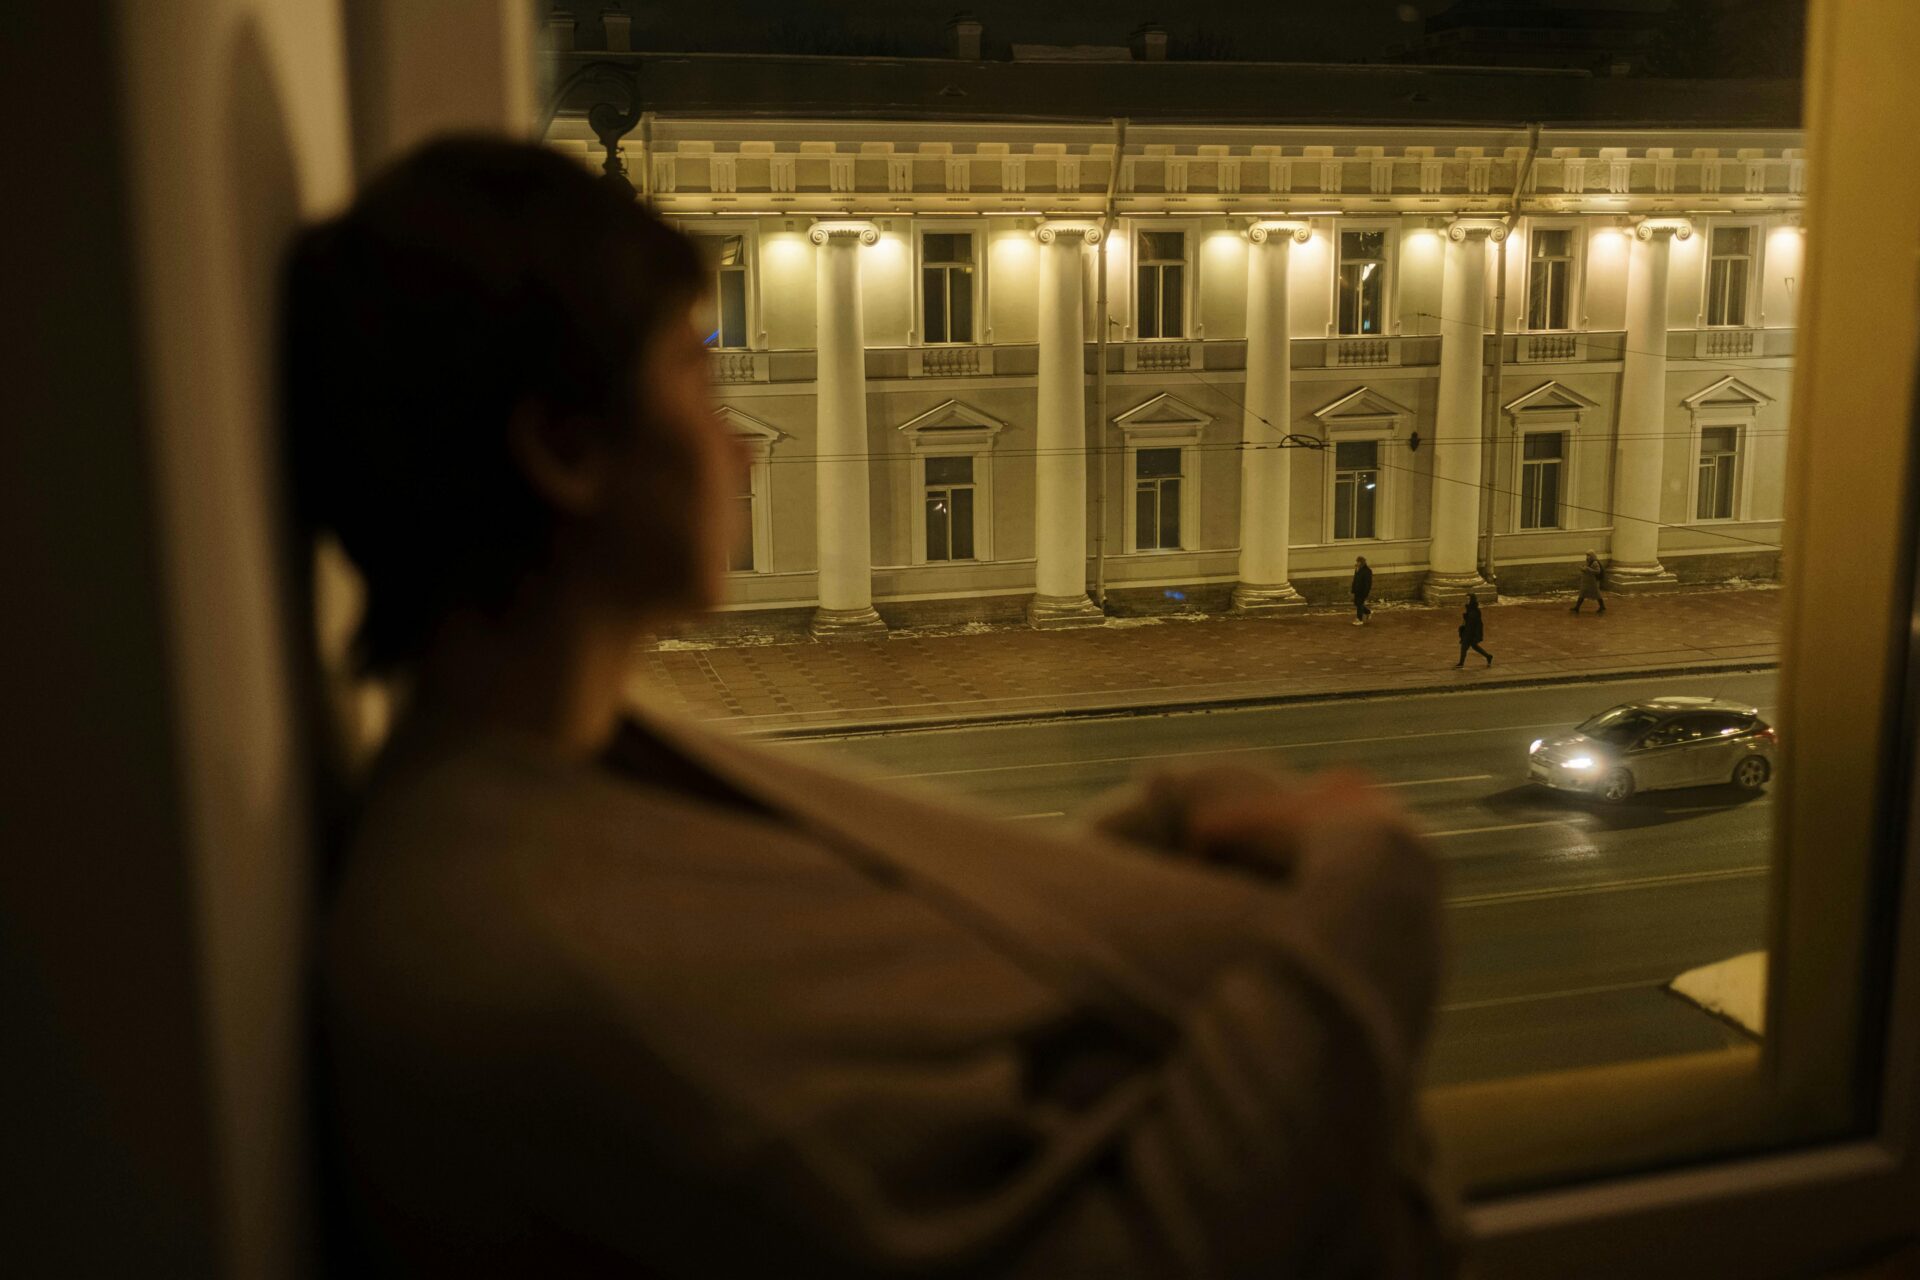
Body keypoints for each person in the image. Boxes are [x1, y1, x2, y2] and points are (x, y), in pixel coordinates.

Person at [292, 138, 1452, 1279]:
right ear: (566, 449)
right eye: (695, 374)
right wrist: (1373, 894)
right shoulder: (526, 959)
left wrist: (1155, 837)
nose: (742, 445)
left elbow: (892, 1027)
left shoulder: (554, 785)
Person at [1455, 593, 1492, 668]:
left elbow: (1478, 623)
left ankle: (1461, 663)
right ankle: (1488, 656)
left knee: (1465, 646)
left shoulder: (1475, 610)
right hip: (1467, 630)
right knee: (1473, 646)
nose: (1467, 600)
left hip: (1471, 632)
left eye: (1469, 599)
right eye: (1466, 599)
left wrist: (1476, 634)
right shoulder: (1469, 608)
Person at [1351, 554, 1374, 625]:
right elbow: (1355, 580)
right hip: (1357, 590)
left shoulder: (1367, 571)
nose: (1357, 563)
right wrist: (1353, 589)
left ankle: (1359, 619)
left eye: (1358, 562)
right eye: (1357, 561)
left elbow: (1368, 583)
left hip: (1362, 591)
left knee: (1359, 604)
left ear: (1362, 562)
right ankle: (1368, 612)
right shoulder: (1357, 570)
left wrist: (1366, 592)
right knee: (1357, 603)